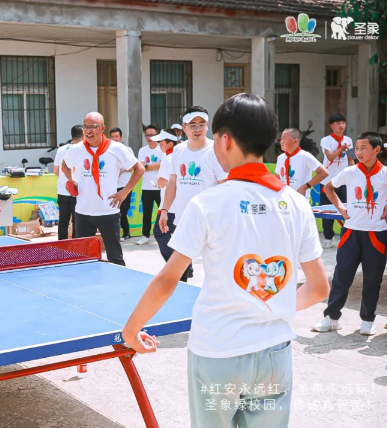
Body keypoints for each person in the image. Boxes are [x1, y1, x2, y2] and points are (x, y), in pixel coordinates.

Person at [122, 93, 330, 428]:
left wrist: (131, 331)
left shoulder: (207, 204)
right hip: (274, 352)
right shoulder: (296, 203)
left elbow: (167, 280)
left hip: (218, 350)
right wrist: (271, 307)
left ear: (225, 140)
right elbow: (319, 288)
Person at [312, 132, 387, 336]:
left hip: (375, 233)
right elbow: (329, 188)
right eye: (356, 148)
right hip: (351, 232)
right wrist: (341, 208)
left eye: (363, 148)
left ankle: (368, 320)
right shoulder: (349, 172)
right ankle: (332, 318)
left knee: (373, 279)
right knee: (342, 276)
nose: (358, 152)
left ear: (377, 150)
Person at [62, 112, 144, 266]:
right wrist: (72, 180)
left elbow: (139, 169)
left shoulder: (117, 148)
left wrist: (125, 192)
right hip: (83, 211)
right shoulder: (76, 149)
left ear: (102, 128)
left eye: (93, 126)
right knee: (84, 258)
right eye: (85, 126)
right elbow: (65, 165)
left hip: (108, 211)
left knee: (115, 257)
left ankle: (118, 280)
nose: (88, 130)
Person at [159, 106, 228, 281]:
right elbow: (173, 182)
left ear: (207, 125)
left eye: (201, 124)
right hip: (184, 218)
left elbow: (224, 186)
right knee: (179, 268)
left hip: (211, 220)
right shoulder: (178, 150)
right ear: (184, 128)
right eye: (192, 125)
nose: (197, 129)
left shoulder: (216, 150)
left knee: (216, 268)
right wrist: (164, 210)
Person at [320, 114, 355, 248]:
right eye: (338, 123)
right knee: (327, 211)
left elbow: (351, 158)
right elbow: (330, 157)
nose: (341, 126)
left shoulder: (348, 140)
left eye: (343, 123)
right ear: (332, 125)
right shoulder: (326, 140)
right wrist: (341, 149)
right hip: (328, 181)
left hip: (344, 181)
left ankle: (345, 236)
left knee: (347, 209)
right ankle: (328, 237)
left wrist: (354, 174)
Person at [275, 128, 329, 201]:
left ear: (295, 141)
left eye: (284, 138)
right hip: (284, 199)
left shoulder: (305, 156)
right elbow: (278, 177)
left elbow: (324, 172)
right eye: (281, 139)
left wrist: (305, 187)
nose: (281, 141)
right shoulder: (280, 158)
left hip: (300, 200)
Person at [150, 129, 178, 262]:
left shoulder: (167, 158)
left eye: (161, 142)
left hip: (168, 205)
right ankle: (185, 267)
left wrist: (158, 182)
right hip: (179, 203)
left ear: (170, 144)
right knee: (178, 237)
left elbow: (162, 183)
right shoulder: (180, 156)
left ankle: (176, 265)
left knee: (160, 233)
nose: (159, 145)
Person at [54, 125, 83, 240]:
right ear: (83, 136)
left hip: (62, 190)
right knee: (77, 220)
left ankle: (61, 245)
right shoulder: (81, 150)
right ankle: (76, 245)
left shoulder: (61, 149)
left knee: (63, 220)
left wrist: (65, 179)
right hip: (78, 190)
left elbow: (56, 170)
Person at [136, 125, 163, 245]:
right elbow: (141, 166)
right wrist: (152, 166)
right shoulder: (142, 150)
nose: (149, 137)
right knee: (147, 213)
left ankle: (166, 233)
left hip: (160, 186)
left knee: (163, 211)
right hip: (146, 186)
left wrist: (147, 166)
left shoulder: (162, 148)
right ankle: (145, 235)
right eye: (147, 135)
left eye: (152, 135)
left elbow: (162, 165)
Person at [111, 127, 135, 241]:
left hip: (125, 185)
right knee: (115, 211)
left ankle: (126, 233)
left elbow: (133, 166)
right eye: (112, 137)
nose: (114, 139)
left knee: (123, 210)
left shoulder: (127, 150)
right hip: (113, 185)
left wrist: (121, 170)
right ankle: (116, 234)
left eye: (116, 136)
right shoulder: (108, 150)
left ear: (121, 137)